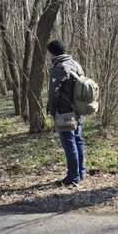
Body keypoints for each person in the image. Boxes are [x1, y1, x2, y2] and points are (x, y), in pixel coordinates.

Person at [46, 40, 86, 187]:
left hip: (64, 112)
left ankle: (73, 176)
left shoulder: (58, 67)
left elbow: (54, 93)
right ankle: (81, 172)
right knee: (78, 140)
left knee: (69, 143)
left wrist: (52, 110)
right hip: (78, 109)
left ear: (52, 52)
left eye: (49, 52)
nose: (48, 55)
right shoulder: (75, 64)